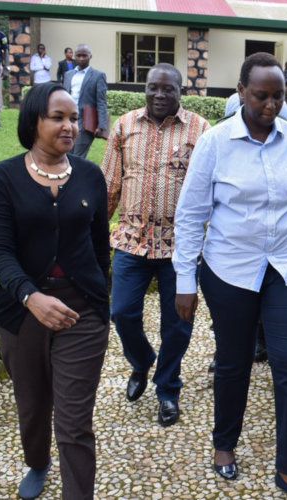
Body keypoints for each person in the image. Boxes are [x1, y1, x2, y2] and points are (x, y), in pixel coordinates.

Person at [172, 52, 287, 500]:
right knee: (233, 361)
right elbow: (191, 215)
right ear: (241, 92)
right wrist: (185, 280)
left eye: (278, 95)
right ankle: (225, 444)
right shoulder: (216, 142)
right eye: (261, 95)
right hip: (229, 269)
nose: (270, 104)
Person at [0, 82, 110, 500]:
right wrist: (30, 297)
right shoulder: (3, 177)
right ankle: (37, 461)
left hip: (81, 313)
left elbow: (98, 248)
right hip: (22, 312)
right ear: (32, 121)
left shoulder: (91, 176)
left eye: (74, 118)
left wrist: (100, 301)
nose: (70, 126)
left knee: (74, 421)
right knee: (33, 406)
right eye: (58, 117)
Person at [101, 63, 209, 426]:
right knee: (121, 312)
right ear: (143, 89)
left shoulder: (200, 130)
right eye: (153, 88)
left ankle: (167, 389)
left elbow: (213, 188)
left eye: (168, 90)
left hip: (180, 245)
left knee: (178, 323)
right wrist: (91, 232)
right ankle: (142, 361)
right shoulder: (124, 125)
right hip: (131, 239)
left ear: (181, 91)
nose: (160, 95)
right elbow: (109, 185)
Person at [63, 44, 108, 158]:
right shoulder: (68, 75)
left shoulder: (98, 76)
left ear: (90, 56)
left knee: (78, 157)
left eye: (84, 55)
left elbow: (101, 101)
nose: (81, 58)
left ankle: (76, 175)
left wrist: (101, 125)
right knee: (66, 154)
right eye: (78, 55)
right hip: (68, 120)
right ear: (75, 56)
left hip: (86, 122)